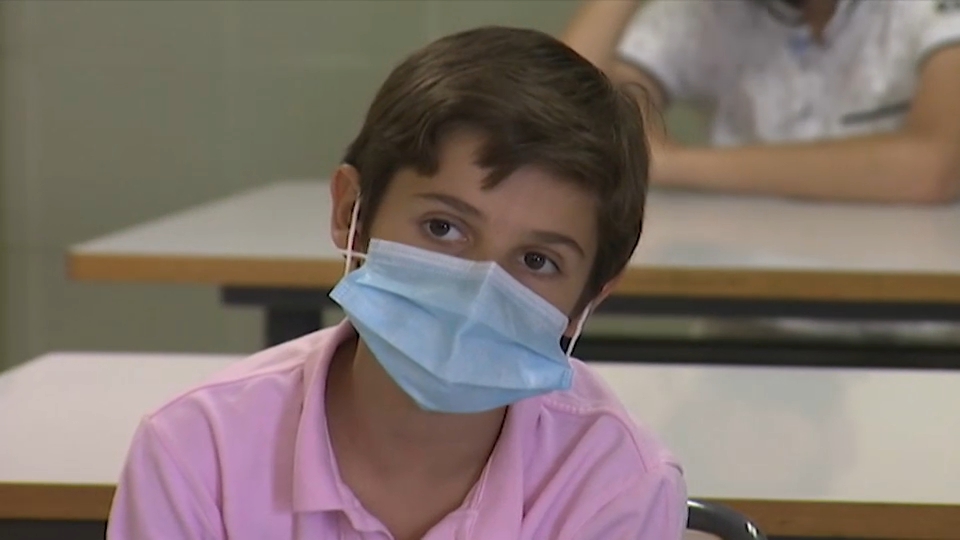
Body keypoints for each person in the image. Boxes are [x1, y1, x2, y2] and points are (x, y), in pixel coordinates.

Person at [105, 27, 686, 540]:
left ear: (590, 297)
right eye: (443, 228)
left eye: (537, 261)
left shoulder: (615, 485)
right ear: (350, 212)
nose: (477, 292)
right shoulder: (199, 454)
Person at [564, 0, 960, 203]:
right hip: (742, 307)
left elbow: (935, 168)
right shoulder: (708, 13)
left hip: (911, 314)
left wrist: (673, 164)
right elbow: (563, 115)